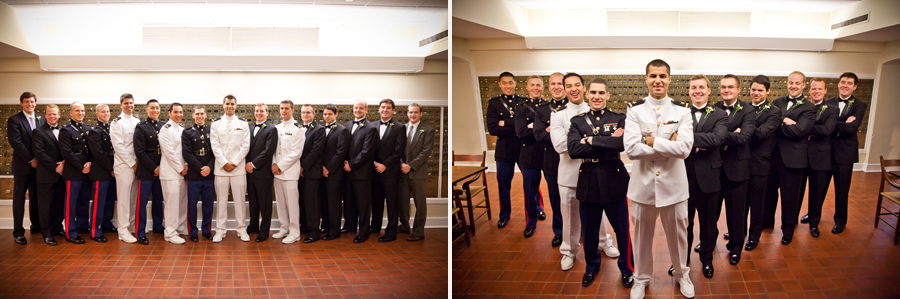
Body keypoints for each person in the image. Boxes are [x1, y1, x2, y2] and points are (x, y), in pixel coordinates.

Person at [624, 59, 695, 299]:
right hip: (642, 187)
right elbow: (631, 150)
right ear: (646, 78)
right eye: (653, 75)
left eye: (662, 76)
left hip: (674, 187)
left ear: (669, 79)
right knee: (641, 238)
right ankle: (640, 279)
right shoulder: (634, 111)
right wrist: (668, 145)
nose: (658, 80)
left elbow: (684, 149)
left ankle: (681, 274)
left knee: (678, 236)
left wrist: (651, 140)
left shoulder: (682, 111)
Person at [566, 77, 635, 288]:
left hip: (614, 177)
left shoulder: (620, 118)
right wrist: (607, 141)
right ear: (587, 94)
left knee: (622, 230)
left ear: (608, 95)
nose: (597, 97)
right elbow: (573, 150)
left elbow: (621, 145)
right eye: (593, 93)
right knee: (589, 230)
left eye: (601, 93)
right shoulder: (577, 121)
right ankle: (592, 266)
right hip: (588, 179)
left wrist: (589, 140)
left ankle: (627, 268)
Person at [550, 72, 619, 272]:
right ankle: (569, 251)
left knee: (599, 213)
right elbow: (562, 146)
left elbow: (612, 143)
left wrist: (580, 141)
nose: (573, 89)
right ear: (564, 89)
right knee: (570, 217)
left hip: (596, 171)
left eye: (577, 85)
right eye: (569, 85)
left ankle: (603, 243)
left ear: (584, 89)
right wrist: (596, 141)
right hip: (570, 175)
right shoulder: (558, 115)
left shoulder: (598, 110)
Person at [675, 75, 726, 279]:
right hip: (682, 177)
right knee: (683, 224)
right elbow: (669, 139)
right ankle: (682, 262)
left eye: (701, 87)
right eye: (693, 87)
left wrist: (684, 139)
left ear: (708, 90)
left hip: (710, 178)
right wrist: (701, 142)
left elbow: (717, 139)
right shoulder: (680, 113)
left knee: (708, 224)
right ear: (689, 91)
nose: (697, 90)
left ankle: (707, 261)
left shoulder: (720, 114)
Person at [764, 71, 816, 245]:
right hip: (772, 156)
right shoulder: (777, 102)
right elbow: (770, 125)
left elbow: (800, 131)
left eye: (797, 83)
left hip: (793, 160)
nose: (793, 86)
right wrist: (786, 122)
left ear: (803, 86)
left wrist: (781, 123)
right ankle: (766, 223)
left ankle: (788, 231)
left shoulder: (809, 107)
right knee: (769, 194)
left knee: (790, 197)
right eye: (791, 83)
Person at [712, 75, 756, 265]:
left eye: (730, 87)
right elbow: (705, 134)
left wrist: (719, 135)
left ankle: (736, 248)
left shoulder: (749, 110)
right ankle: (708, 243)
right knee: (710, 212)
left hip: (737, 170)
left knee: (736, 213)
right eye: (723, 87)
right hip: (713, 169)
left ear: (739, 89)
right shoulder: (712, 108)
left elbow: (744, 137)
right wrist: (731, 133)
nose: (726, 90)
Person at [819, 72, 867, 234]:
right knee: (820, 187)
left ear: (855, 86)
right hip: (826, 152)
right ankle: (814, 215)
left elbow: (852, 128)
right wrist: (842, 123)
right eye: (843, 82)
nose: (845, 85)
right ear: (838, 84)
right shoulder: (829, 102)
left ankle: (840, 220)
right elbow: (822, 125)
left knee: (842, 190)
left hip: (846, 154)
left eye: (849, 83)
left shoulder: (859, 105)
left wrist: (832, 124)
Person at [744, 75, 782, 251]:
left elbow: (761, 134)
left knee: (757, 203)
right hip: (740, 163)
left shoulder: (774, 112)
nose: (756, 93)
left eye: (760, 90)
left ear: (767, 91)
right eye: (753, 90)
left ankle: (754, 236)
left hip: (760, 164)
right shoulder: (743, 108)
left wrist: (742, 132)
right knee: (741, 202)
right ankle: (739, 231)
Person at [486, 72, 527, 229]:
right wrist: (516, 127)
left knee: (531, 182)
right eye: (504, 83)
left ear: (515, 83)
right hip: (504, 151)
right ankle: (504, 215)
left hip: (523, 148)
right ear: (499, 84)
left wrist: (506, 123)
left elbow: (525, 125)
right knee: (503, 184)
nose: (508, 86)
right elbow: (493, 129)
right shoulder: (494, 104)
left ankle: (537, 209)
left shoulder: (523, 102)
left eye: (510, 82)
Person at [799, 78, 838, 238]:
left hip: (821, 158)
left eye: (820, 89)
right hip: (800, 155)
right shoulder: (802, 107)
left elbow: (827, 130)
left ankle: (814, 223)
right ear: (809, 90)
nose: (816, 91)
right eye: (814, 89)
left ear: (825, 91)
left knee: (817, 193)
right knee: (797, 192)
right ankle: (791, 221)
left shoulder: (832, 109)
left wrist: (802, 127)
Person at [210, 95, 252, 242]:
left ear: (235, 106)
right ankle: (220, 230)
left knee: (240, 201)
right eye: (227, 104)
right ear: (223, 105)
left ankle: (241, 229)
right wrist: (224, 163)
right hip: (221, 170)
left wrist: (233, 163)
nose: (229, 106)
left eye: (232, 104)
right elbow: (215, 146)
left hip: (238, 169)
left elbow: (245, 146)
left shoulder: (243, 124)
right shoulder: (216, 124)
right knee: (221, 201)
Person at [533, 73, 566, 247]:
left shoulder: (572, 106)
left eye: (560, 83)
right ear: (549, 87)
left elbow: (579, 134)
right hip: (551, 160)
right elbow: (538, 135)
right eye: (553, 83)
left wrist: (551, 131)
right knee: (555, 198)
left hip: (572, 159)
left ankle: (580, 229)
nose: (556, 87)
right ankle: (559, 231)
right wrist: (561, 133)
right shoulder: (542, 109)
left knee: (578, 197)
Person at [8, 92, 44, 244]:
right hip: (23, 166)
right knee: (19, 199)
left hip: (39, 167)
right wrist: (31, 159)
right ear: (21, 103)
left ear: (36, 103)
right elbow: (16, 142)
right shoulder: (14, 120)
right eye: (26, 102)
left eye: (32, 102)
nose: (30, 104)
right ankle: (18, 231)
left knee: (37, 198)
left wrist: (39, 160)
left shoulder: (41, 119)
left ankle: (36, 226)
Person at [370, 99, 407, 242]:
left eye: (388, 108)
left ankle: (391, 232)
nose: (385, 110)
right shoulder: (372, 126)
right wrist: (374, 163)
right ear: (379, 109)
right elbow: (369, 147)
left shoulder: (399, 127)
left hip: (390, 171)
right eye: (383, 107)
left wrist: (385, 165)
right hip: (374, 170)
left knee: (392, 203)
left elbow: (399, 151)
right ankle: (375, 226)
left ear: (393, 110)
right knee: (376, 201)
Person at [515, 76, 547, 238]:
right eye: (532, 85)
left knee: (556, 192)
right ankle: (530, 222)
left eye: (538, 85)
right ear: (527, 87)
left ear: (543, 87)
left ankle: (560, 226)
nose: (535, 88)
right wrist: (542, 130)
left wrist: (533, 127)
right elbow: (521, 133)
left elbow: (553, 130)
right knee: (529, 192)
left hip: (548, 154)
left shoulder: (549, 106)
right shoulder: (521, 108)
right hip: (529, 156)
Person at [58, 102, 93, 244]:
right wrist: (81, 167)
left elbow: (92, 149)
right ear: (71, 113)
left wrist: (90, 163)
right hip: (73, 171)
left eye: (82, 110)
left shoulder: (87, 128)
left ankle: (83, 227)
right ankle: (70, 232)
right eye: (77, 110)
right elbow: (66, 152)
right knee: (71, 203)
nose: (80, 113)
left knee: (84, 201)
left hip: (87, 170)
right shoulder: (66, 130)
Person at [343, 100, 377, 243]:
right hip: (347, 171)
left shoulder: (370, 128)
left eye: (361, 108)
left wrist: (351, 164)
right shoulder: (348, 125)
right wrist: (344, 163)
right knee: (349, 201)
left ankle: (363, 232)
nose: (358, 110)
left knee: (363, 204)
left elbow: (367, 152)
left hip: (362, 172)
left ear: (366, 110)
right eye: (356, 108)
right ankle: (350, 226)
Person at [399, 103, 434, 242]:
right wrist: (402, 164)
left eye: (415, 112)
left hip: (417, 172)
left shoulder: (428, 130)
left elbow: (425, 152)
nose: (412, 115)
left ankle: (418, 231)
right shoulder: (402, 129)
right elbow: (397, 149)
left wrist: (410, 166)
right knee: (402, 202)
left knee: (420, 203)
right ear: (407, 114)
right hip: (402, 171)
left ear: (421, 114)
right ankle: (404, 225)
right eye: (410, 112)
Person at [132, 99, 165, 245]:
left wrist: (161, 168)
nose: (155, 111)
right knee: (142, 203)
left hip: (162, 168)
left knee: (159, 201)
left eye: (157, 108)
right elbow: (139, 152)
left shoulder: (163, 126)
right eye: (152, 108)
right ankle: (140, 232)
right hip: (146, 170)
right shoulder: (141, 127)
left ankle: (158, 226)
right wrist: (154, 168)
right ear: (147, 110)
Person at [32, 104, 66, 246]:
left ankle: (58, 228)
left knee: (59, 203)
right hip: (46, 173)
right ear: (45, 116)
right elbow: (39, 152)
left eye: (55, 114)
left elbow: (67, 150)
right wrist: (55, 167)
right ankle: (46, 233)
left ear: (59, 115)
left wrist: (63, 163)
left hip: (62, 173)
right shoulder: (38, 131)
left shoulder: (63, 130)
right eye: (49, 114)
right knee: (45, 205)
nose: (52, 116)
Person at [272, 100, 304, 244]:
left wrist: (279, 165)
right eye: (281, 108)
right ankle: (284, 228)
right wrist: (274, 164)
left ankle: (295, 232)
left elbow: (296, 153)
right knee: (281, 202)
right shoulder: (276, 128)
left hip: (289, 173)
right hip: (277, 173)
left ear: (292, 110)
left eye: (286, 108)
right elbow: (273, 149)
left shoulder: (298, 129)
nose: (283, 111)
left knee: (292, 204)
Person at [111, 93, 142, 243]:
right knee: (123, 200)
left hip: (136, 166)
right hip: (124, 166)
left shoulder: (137, 121)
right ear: (120, 105)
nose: (129, 105)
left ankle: (130, 227)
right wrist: (133, 164)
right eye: (126, 103)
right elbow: (119, 147)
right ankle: (122, 231)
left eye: (131, 103)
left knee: (132, 199)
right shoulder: (117, 123)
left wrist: (138, 164)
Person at [182, 106, 216, 242]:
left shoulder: (212, 131)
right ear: (193, 116)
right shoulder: (187, 132)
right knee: (192, 204)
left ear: (206, 115)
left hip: (209, 173)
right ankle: (193, 231)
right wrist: (200, 168)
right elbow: (187, 153)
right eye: (197, 114)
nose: (200, 116)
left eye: (202, 114)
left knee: (208, 203)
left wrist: (209, 167)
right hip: (194, 174)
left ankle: (207, 229)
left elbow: (216, 151)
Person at [246, 103, 278, 242]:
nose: (258, 113)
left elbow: (268, 151)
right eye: (257, 111)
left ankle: (264, 231)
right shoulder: (249, 128)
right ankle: (253, 226)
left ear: (267, 113)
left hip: (263, 173)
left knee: (265, 204)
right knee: (253, 201)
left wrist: (253, 164)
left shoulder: (272, 129)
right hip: (249, 173)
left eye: (261, 111)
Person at [159, 103, 188, 244]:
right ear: (169, 113)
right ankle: (170, 233)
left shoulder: (182, 129)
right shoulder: (166, 130)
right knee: (171, 204)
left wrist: (186, 165)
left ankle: (180, 227)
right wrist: (180, 168)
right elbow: (169, 152)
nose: (178, 115)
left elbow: (185, 151)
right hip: (170, 173)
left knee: (181, 201)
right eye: (175, 112)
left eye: (181, 112)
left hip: (182, 172)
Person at [86, 103, 116, 243]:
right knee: (99, 202)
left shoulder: (111, 128)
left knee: (110, 201)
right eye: (103, 112)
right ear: (97, 114)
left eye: (108, 111)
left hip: (112, 171)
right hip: (101, 171)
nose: (106, 114)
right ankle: (95, 230)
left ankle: (106, 224)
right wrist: (111, 169)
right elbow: (98, 154)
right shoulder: (95, 131)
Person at [319, 104, 350, 240]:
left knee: (333, 203)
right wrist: (321, 168)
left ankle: (334, 231)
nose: (327, 116)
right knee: (323, 201)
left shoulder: (342, 131)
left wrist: (328, 168)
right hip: (320, 172)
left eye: (329, 114)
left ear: (336, 114)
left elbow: (340, 152)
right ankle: (326, 226)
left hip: (334, 173)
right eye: (325, 114)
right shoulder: (320, 129)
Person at [298, 104, 326, 243]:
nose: (305, 115)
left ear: (314, 114)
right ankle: (304, 227)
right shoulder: (298, 128)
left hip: (312, 172)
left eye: (308, 112)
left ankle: (315, 231)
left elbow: (316, 151)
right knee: (302, 201)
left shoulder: (319, 129)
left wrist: (303, 167)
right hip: (298, 171)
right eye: (303, 112)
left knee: (312, 202)